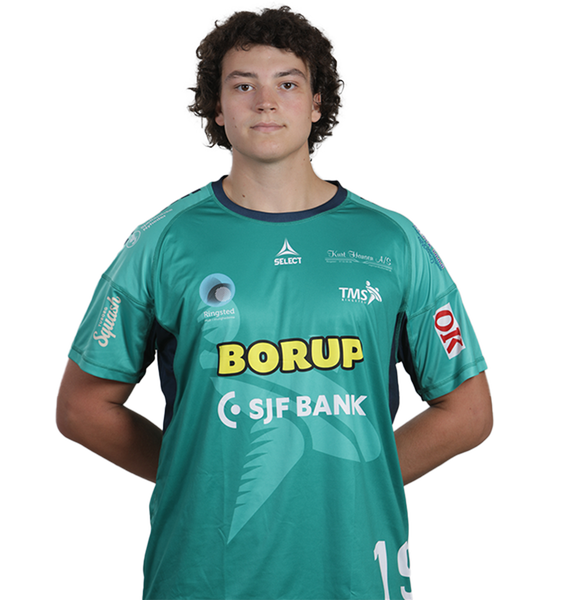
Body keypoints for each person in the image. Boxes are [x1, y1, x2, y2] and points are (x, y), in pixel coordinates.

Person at [55, 3, 494, 598]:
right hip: (204, 577)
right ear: (216, 107)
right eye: (243, 85)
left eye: (287, 84)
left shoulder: (393, 241)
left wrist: (348, 477)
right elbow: (81, 406)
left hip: (355, 574)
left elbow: (468, 412)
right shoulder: (162, 241)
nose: (265, 102)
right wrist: (204, 475)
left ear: (317, 103)